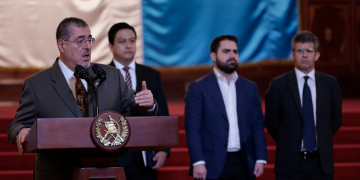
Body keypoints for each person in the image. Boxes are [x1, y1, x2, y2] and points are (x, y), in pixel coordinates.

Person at [7, 17, 157, 180]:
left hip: (103, 171)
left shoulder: (111, 76)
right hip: (58, 174)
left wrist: (148, 105)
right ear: (61, 45)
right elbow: (17, 124)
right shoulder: (36, 84)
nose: (87, 46)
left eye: (89, 40)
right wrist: (20, 131)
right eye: (80, 41)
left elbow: (134, 111)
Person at [185, 35, 267, 180]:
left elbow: (257, 125)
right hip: (211, 163)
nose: (232, 55)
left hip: (244, 162)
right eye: (226, 51)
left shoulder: (250, 87)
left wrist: (260, 158)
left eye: (235, 52)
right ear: (213, 56)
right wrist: (198, 161)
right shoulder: (198, 88)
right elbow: (193, 128)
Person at [265, 31, 342, 180]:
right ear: (292, 55)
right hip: (289, 163)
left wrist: (318, 137)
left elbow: (335, 120)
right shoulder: (278, 85)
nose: (304, 55)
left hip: (321, 164)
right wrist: (290, 140)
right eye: (300, 51)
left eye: (309, 51)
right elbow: (271, 122)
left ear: (317, 55)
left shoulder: (330, 84)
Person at [107, 22, 170, 180]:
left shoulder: (152, 75)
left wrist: (164, 150)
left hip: (146, 157)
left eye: (132, 40)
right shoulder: (102, 77)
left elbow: (162, 114)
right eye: (122, 41)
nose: (128, 45)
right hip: (114, 156)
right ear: (111, 46)